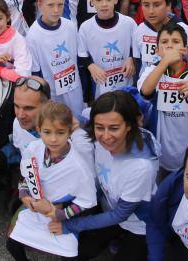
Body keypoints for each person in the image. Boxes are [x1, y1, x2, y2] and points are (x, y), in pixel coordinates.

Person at [60, 91, 159, 260]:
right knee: (74, 253)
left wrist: (72, 224)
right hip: (110, 210)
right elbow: (79, 122)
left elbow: (120, 214)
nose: (105, 137)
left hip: (139, 225)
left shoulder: (141, 167)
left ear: (129, 125)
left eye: (114, 128)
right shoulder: (98, 137)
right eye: (100, 127)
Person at [7, 102, 96, 261]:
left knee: (70, 255)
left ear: (69, 132)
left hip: (63, 213)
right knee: (12, 244)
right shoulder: (33, 148)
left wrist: (58, 214)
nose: (53, 139)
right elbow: (26, 177)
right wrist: (24, 195)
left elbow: (86, 202)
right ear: (39, 130)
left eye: (60, 132)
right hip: (36, 207)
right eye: (47, 132)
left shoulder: (79, 166)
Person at [137, 22, 188, 175]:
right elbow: (145, 91)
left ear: (185, 49)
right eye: (164, 42)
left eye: (175, 42)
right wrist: (164, 62)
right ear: (156, 50)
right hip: (161, 152)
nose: (169, 46)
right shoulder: (152, 71)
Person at [26, 0, 84, 118]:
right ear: (40, 5)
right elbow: (35, 72)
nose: (56, 10)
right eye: (50, 5)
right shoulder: (33, 35)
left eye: (60, 5)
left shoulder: (70, 26)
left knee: (78, 127)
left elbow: (78, 60)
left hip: (75, 91)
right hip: (52, 96)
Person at [78, 0, 138, 99]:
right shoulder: (85, 27)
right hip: (101, 88)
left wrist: (131, 58)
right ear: (92, 1)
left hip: (127, 85)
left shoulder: (129, 23)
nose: (104, 4)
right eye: (99, 0)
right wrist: (91, 66)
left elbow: (137, 46)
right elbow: (82, 54)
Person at [133, 0, 188, 78]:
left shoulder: (183, 29)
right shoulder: (139, 30)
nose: (151, 11)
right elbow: (138, 63)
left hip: (176, 88)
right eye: (146, 5)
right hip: (148, 87)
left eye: (157, 5)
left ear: (168, 5)